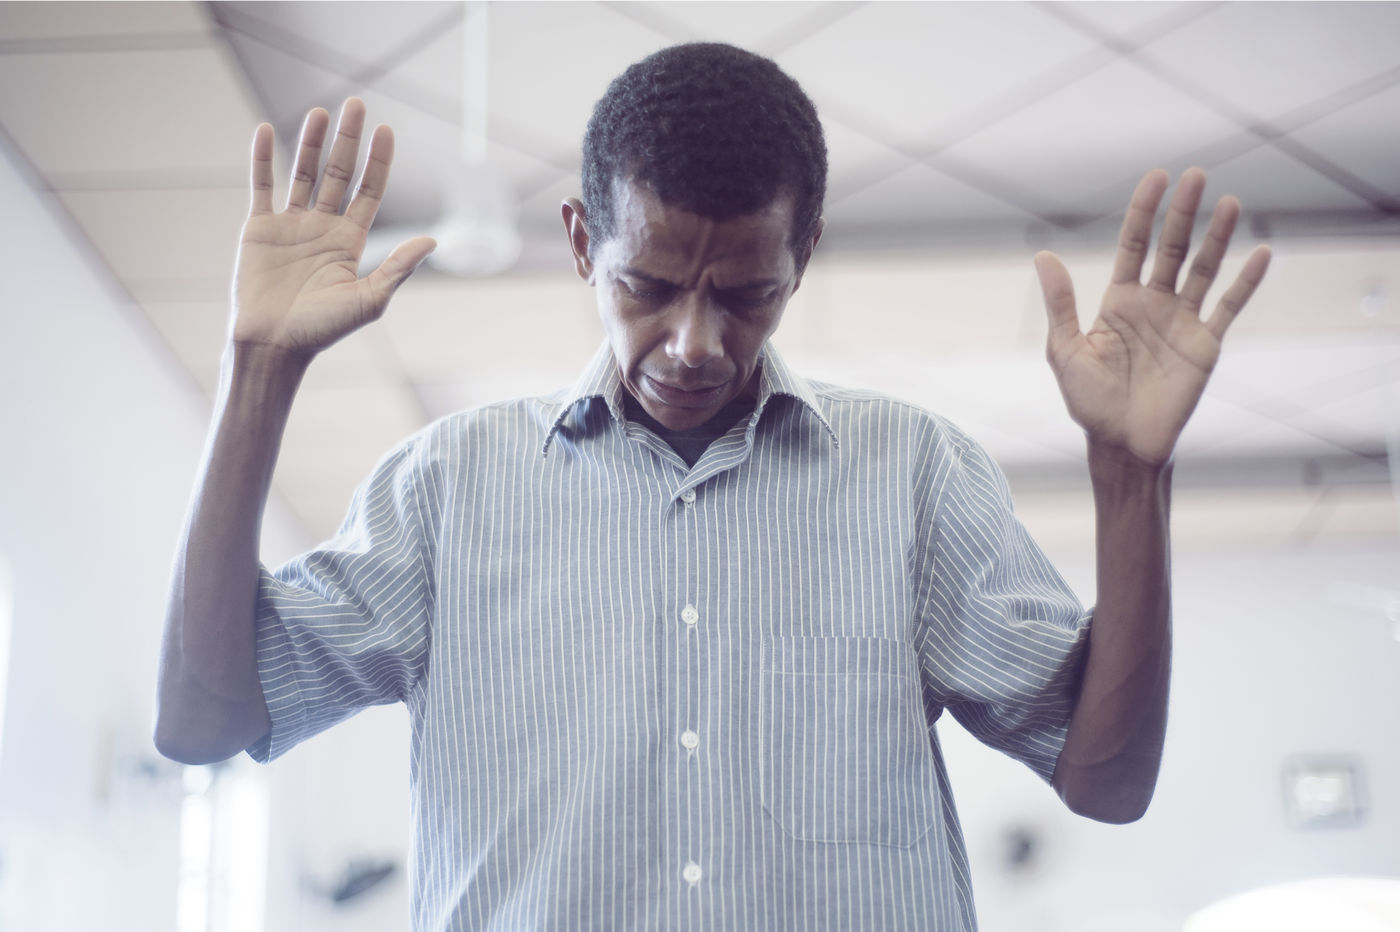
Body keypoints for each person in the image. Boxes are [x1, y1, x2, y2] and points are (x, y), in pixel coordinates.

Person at [155, 43, 1270, 930]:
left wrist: (1131, 476)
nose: (693, 342)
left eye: (745, 295)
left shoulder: (912, 474)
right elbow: (204, 721)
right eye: (647, 286)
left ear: (802, 256)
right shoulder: (447, 486)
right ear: (581, 242)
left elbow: (1106, 782)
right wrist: (260, 367)